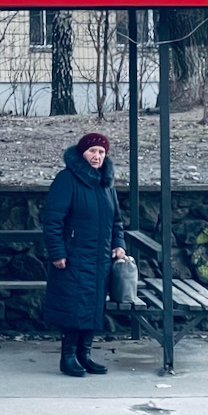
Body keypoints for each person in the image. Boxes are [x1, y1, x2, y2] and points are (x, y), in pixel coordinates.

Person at [41, 131, 127, 378]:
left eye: (101, 152)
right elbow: (53, 221)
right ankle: (67, 357)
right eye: (92, 151)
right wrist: (57, 252)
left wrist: (118, 244)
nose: (97, 156)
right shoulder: (66, 180)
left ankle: (84, 355)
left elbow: (117, 221)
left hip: (100, 258)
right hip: (73, 257)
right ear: (82, 153)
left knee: (93, 306)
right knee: (73, 307)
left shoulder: (106, 183)